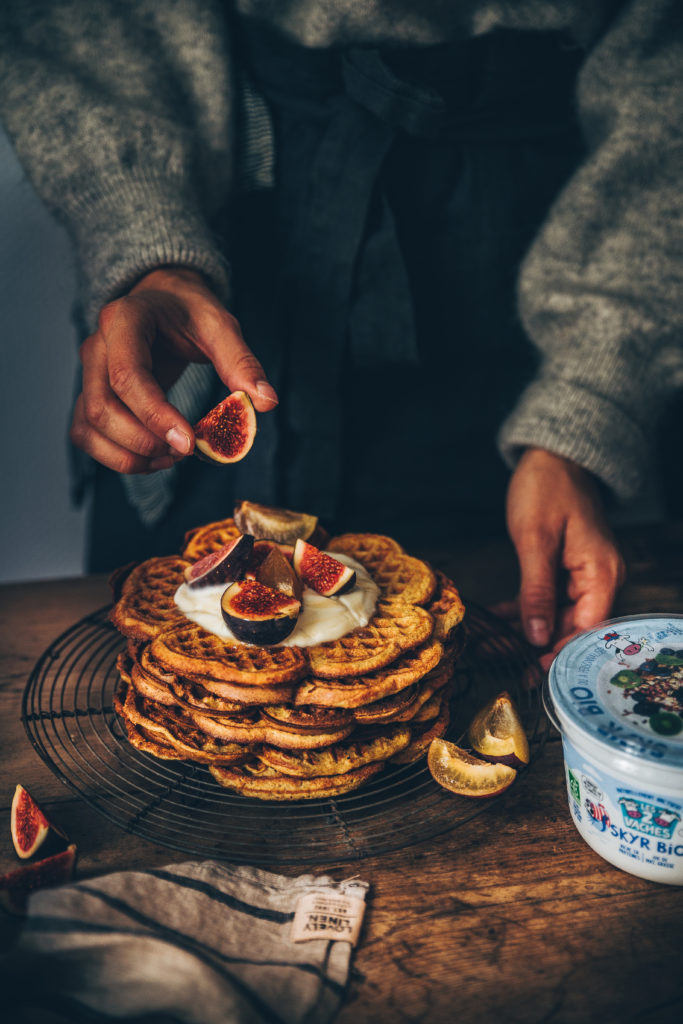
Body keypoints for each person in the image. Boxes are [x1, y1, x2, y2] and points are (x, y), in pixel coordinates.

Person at [0, 0, 681, 656]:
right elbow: (81, 24)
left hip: (520, 246)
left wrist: (588, 405)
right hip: (231, 206)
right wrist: (149, 255)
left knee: (465, 634)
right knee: (156, 659)